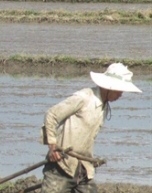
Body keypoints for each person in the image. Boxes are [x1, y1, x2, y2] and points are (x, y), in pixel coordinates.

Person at [40, 63, 142, 193]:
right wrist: (53, 146)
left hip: (83, 167)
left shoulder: (104, 107)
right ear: (108, 87)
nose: (121, 94)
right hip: (62, 165)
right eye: (119, 90)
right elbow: (52, 115)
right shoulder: (84, 98)